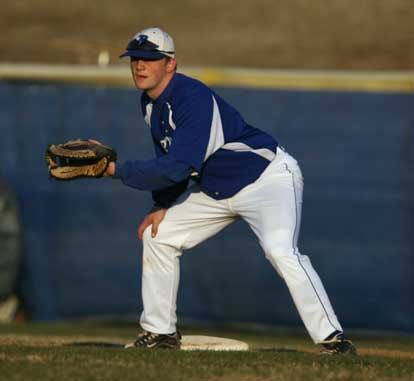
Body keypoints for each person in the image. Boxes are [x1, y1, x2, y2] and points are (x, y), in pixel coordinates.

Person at [107, 27, 356, 355]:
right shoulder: (150, 104)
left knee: (280, 250)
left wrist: (113, 169)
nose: (140, 65)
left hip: (267, 179)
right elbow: (168, 158)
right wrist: (162, 204)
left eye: (151, 59)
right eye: (136, 59)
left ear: (171, 65)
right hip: (217, 190)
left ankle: (333, 340)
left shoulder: (191, 97)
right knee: (159, 235)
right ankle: (160, 332)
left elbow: (179, 166)